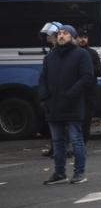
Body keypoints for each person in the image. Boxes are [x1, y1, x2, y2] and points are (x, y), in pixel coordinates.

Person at [39, 24, 94, 185]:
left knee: (76, 139)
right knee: (57, 141)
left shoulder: (81, 54)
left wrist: (71, 93)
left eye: (65, 33)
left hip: (72, 104)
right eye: (59, 33)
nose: (61, 36)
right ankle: (59, 172)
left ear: (72, 37)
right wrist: (44, 96)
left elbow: (87, 77)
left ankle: (79, 172)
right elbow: (43, 78)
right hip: (54, 105)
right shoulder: (50, 57)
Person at [75, 26, 101, 143]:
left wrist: (87, 69)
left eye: (85, 37)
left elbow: (99, 71)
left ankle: (83, 143)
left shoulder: (92, 53)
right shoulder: (72, 53)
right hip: (75, 90)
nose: (83, 40)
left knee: (86, 119)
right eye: (80, 37)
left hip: (89, 91)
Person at [38, 22, 61, 158]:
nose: (48, 37)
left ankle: (60, 149)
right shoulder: (52, 52)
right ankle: (54, 147)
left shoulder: (59, 52)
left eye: (50, 35)